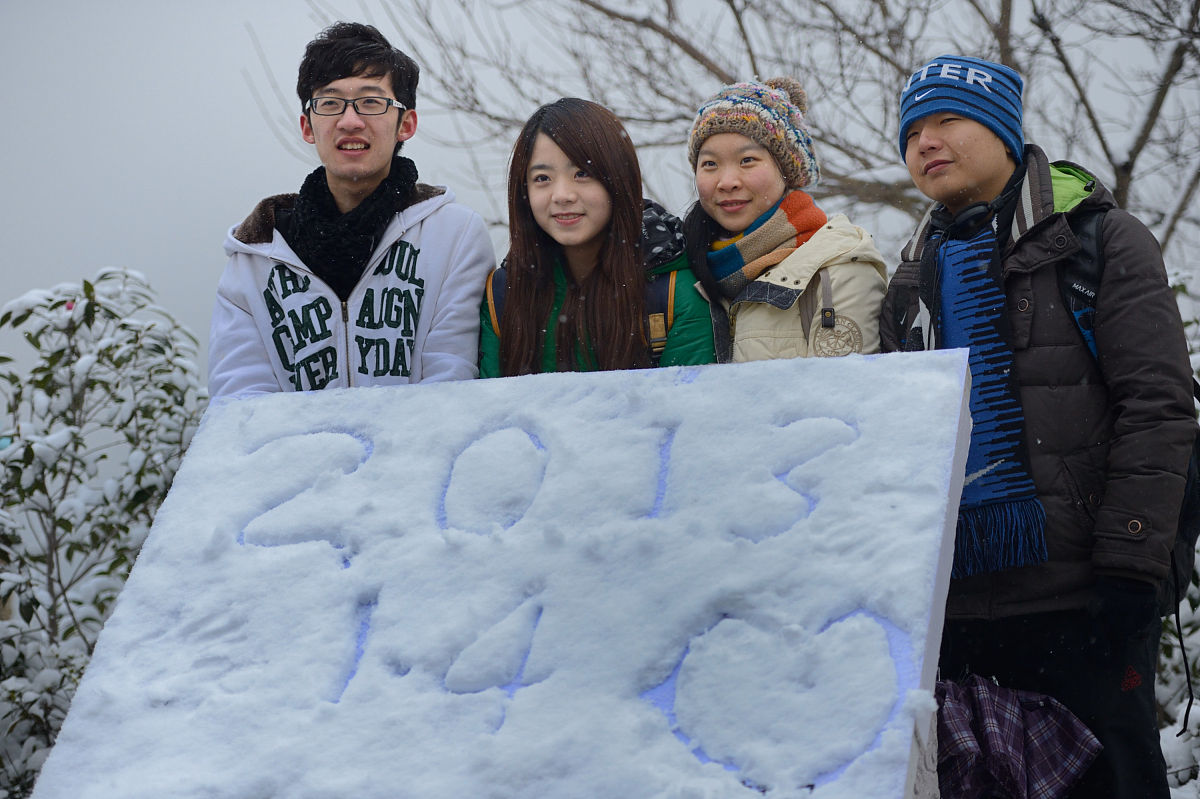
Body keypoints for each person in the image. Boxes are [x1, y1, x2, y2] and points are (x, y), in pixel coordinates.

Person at [881, 55, 1196, 798]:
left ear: (1002, 129)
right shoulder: (908, 281)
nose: (927, 141)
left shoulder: (1101, 240)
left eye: (948, 120)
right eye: (912, 131)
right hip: (956, 609)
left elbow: (1157, 407)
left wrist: (1130, 569)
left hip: (1083, 596)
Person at [208, 22, 494, 398]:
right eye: (329, 103)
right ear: (307, 127)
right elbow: (241, 400)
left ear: (405, 124)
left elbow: (450, 383)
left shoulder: (455, 236)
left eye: (371, 102)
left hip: (417, 453)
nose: (350, 121)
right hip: (295, 456)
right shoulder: (255, 255)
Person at [479, 98, 714, 376]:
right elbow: (491, 413)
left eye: (582, 173)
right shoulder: (504, 295)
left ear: (619, 179)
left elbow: (683, 413)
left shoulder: (674, 292)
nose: (563, 195)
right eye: (542, 178)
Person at [682, 78, 887, 363]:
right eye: (710, 164)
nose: (726, 182)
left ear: (786, 171)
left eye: (747, 160)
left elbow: (841, 398)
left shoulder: (838, 269)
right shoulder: (684, 270)